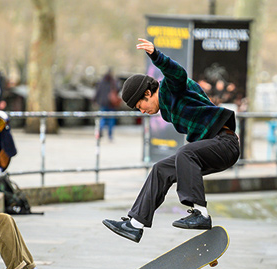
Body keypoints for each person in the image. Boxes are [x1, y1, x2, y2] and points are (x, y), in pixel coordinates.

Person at [102, 38, 240, 243]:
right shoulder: (166, 110)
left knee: (185, 152)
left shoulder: (169, 87)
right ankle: (135, 224)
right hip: (211, 147)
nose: (143, 112)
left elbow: (178, 74)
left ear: (148, 92)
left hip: (225, 143)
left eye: (141, 105)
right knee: (161, 169)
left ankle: (200, 214)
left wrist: (156, 55)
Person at [93, 69, 120, 141]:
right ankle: (110, 135)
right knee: (111, 120)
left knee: (102, 118)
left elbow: (97, 92)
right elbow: (118, 90)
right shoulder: (114, 82)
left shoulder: (101, 82)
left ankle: (100, 131)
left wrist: (94, 100)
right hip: (111, 103)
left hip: (103, 103)